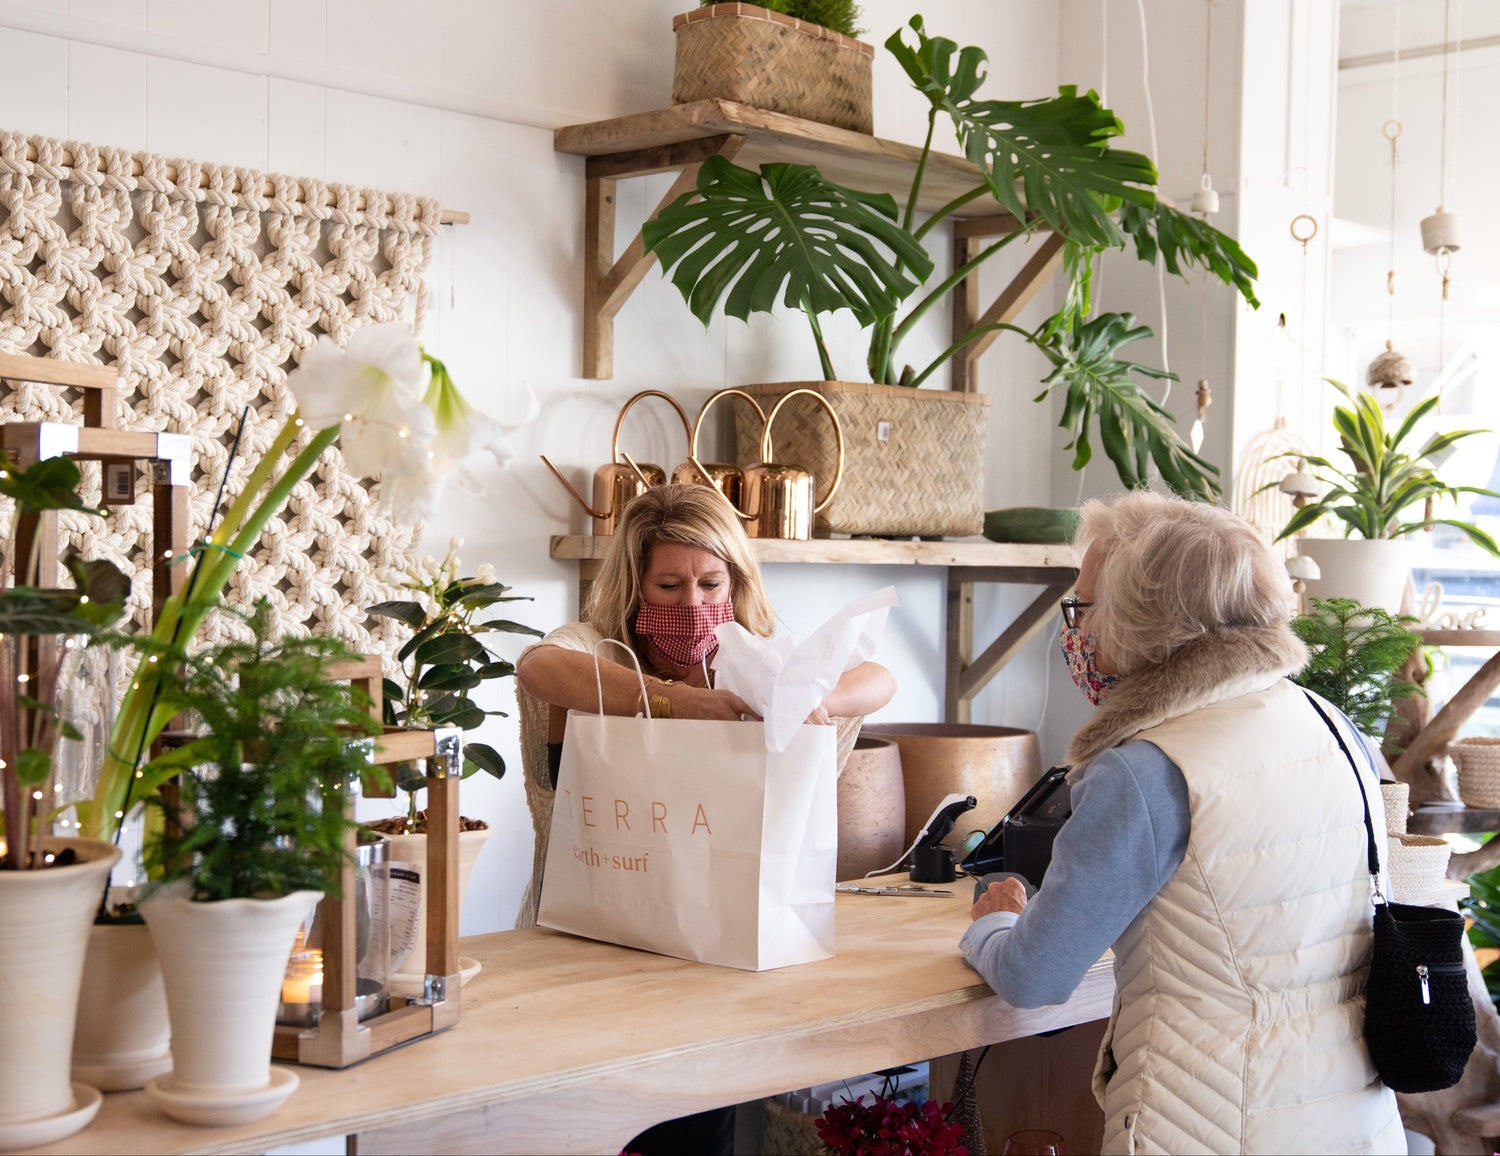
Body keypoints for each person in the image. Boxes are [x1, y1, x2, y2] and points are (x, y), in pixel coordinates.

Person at [963, 492, 1404, 1155]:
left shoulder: (1144, 770)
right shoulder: (1333, 725)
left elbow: (1035, 976)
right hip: (1353, 1124)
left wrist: (993, 920)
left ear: (1143, 622)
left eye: (1082, 608)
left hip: (1205, 1128)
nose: (1073, 633)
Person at [515, 484, 895, 1156]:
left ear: (737, 582)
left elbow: (879, 678)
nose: (693, 606)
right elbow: (539, 666)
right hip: (581, 961)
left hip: (708, 972)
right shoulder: (598, 650)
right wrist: (673, 703)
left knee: (692, 1134)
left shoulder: (754, 661)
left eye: (710, 582)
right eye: (668, 586)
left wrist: (815, 696)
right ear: (635, 587)